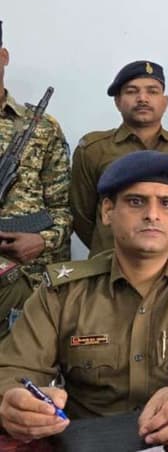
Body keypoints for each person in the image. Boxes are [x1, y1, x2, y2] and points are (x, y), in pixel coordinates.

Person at [0, 151, 168, 446]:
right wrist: (14, 400)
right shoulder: (63, 291)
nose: (152, 214)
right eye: (136, 201)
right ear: (107, 211)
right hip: (92, 443)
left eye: (166, 203)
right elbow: (16, 370)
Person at [71, 60, 168, 256]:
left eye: (152, 91)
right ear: (117, 101)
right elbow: (82, 215)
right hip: (110, 263)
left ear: (165, 101)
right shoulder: (93, 149)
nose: (142, 98)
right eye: (132, 91)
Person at [0, 20, 72, 340]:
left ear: (3, 56)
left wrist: (43, 240)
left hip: (30, 285)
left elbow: (64, 209)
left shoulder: (42, 127)